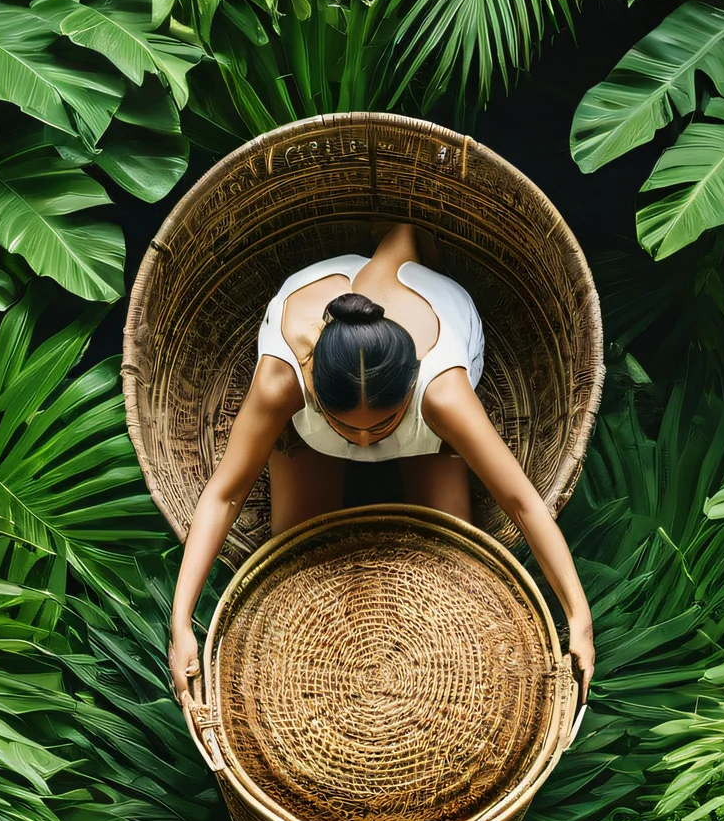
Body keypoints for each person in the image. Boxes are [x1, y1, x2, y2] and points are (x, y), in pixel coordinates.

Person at [168, 220, 595, 706]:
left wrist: (578, 615)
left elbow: (521, 501)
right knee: (292, 577)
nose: (366, 442)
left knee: (454, 579)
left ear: (411, 389)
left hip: (429, 392)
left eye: (382, 425)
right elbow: (225, 492)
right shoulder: (282, 380)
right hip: (332, 366)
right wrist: (182, 620)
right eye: (348, 427)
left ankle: (412, 443)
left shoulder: (442, 391)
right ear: (312, 386)